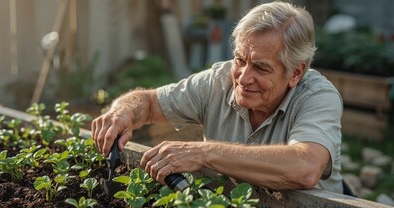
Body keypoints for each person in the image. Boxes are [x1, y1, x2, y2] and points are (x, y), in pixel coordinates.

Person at [91, 1, 345, 194]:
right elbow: (146, 103)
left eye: (261, 67)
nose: (243, 78)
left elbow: (305, 167)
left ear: (296, 72)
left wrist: (203, 153)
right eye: (240, 60)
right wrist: (121, 111)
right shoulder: (218, 80)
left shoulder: (318, 97)